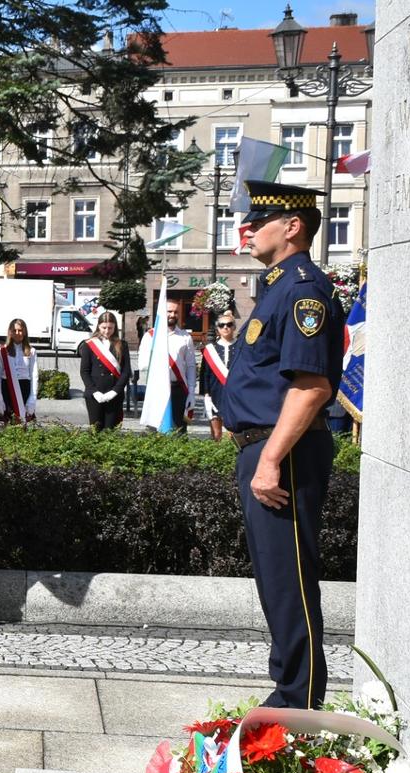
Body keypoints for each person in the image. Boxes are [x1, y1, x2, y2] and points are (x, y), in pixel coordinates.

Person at [222, 180, 345, 711]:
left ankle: (297, 703)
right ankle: (290, 694)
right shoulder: (277, 288)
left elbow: (312, 385)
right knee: (277, 582)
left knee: (290, 582)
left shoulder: (301, 291)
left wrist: (270, 459)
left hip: (284, 454)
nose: (246, 229)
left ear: (292, 227)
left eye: (259, 221)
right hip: (266, 449)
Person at [138, 298, 196, 433]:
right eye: (169, 311)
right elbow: (143, 365)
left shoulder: (185, 337)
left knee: (178, 431)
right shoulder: (150, 336)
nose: (172, 315)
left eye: (176, 312)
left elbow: (191, 366)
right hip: (157, 389)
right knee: (155, 430)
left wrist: (192, 392)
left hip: (179, 389)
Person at [80, 311, 131, 430]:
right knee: (95, 431)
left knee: (110, 431)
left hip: (114, 395)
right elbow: (84, 371)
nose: (107, 331)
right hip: (95, 395)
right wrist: (94, 391)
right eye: (104, 327)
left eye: (110, 328)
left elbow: (126, 371)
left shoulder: (122, 345)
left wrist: (115, 391)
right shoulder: (89, 345)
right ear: (98, 326)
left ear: (115, 327)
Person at [0, 318, 37, 425]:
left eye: (20, 330)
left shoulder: (32, 351)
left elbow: (34, 376)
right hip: (7, 388)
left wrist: (32, 398)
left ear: (25, 332)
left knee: (22, 423)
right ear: (10, 332)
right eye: (14, 330)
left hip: (24, 388)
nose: (17, 333)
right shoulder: (2, 350)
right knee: (7, 425)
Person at [200, 311, 237, 441]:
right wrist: (206, 393)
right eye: (222, 325)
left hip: (234, 394)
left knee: (232, 434)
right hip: (215, 393)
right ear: (217, 328)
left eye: (229, 324)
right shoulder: (210, 349)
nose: (225, 327)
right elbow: (205, 373)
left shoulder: (240, 347)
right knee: (216, 435)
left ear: (234, 327)